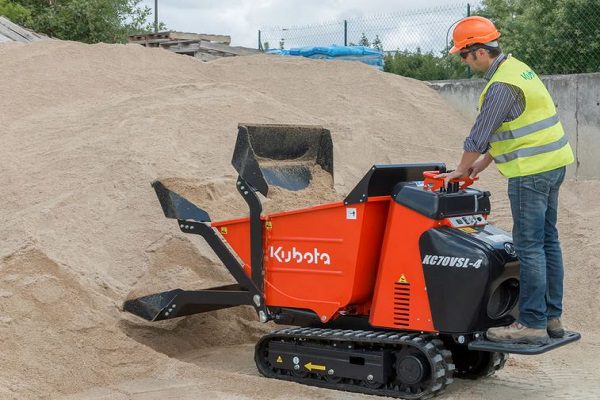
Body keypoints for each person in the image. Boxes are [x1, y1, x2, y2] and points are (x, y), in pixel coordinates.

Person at [436, 16, 574, 345]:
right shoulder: (520, 70)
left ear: (479, 51)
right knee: (547, 242)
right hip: (553, 165)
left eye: (463, 55)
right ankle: (552, 319)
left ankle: (530, 324)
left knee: (529, 247)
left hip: (530, 173)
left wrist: (460, 169)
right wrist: (482, 165)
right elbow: (516, 128)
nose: (464, 63)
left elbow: (479, 136)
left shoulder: (500, 86)